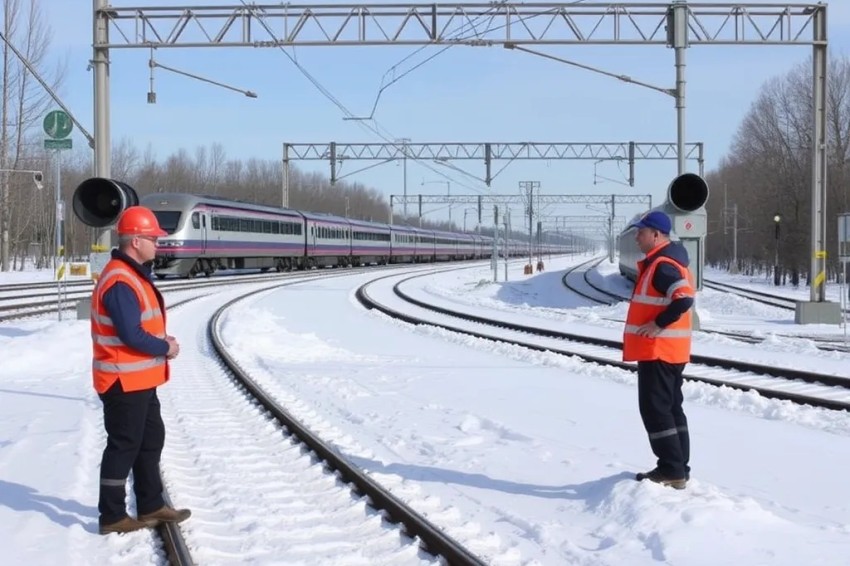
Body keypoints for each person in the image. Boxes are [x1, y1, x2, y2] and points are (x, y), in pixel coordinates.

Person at [91, 205, 192, 534]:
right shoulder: (120, 280)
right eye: (153, 239)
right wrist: (165, 348)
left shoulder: (131, 274)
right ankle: (112, 515)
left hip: (140, 380)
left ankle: (151, 504)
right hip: (122, 380)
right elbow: (129, 334)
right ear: (135, 241)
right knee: (124, 445)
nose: (158, 244)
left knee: (151, 440)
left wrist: (161, 339)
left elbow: (138, 327)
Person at [622, 210, 695, 490]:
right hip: (669, 351)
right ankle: (678, 468)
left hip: (659, 350)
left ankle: (671, 469)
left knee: (655, 410)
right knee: (671, 409)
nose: (637, 238)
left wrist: (657, 323)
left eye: (641, 233)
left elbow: (683, 299)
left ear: (656, 235)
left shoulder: (664, 265)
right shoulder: (666, 262)